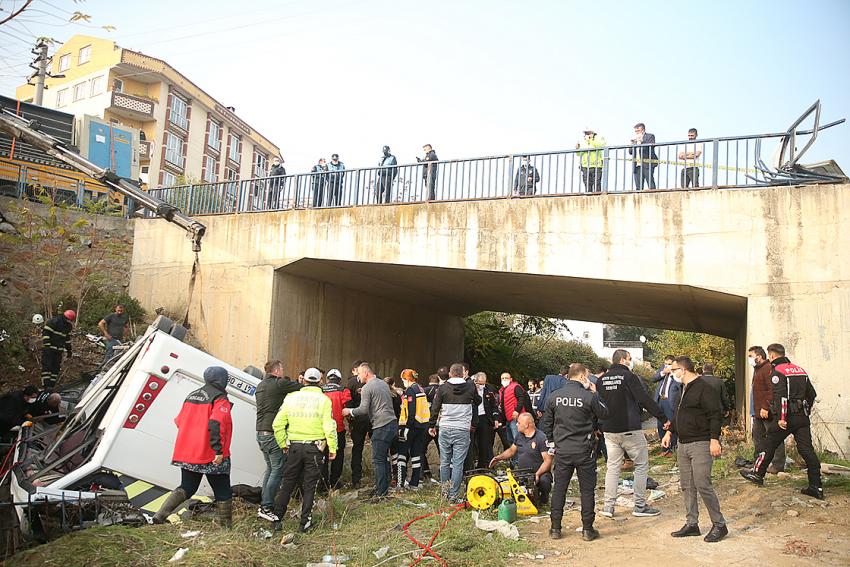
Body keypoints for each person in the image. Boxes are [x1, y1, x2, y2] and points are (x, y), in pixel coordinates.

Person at [153, 366, 234, 527]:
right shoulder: (220, 399)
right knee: (223, 491)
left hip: (188, 453)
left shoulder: (191, 395)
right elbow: (216, 423)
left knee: (187, 487)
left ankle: (159, 516)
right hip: (210, 454)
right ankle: (226, 528)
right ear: (221, 379)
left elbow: (179, 421)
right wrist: (218, 450)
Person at [741, 343, 823, 500]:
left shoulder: (777, 371)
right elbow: (811, 394)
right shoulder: (800, 370)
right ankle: (816, 486)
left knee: (768, 444)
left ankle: (757, 474)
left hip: (786, 417)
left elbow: (781, 397)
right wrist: (806, 410)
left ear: (771, 355)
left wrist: (781, 418)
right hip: (802, 417)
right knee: (806, 450)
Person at [662, 356, 728, 542]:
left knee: (702, 484)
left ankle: (719, 525)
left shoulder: (704, 387)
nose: (671, 372)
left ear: (683, 370)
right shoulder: (684, 388)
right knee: (687, 486)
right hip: (683, 444)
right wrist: (669, 433)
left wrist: (714, 439)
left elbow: (715, 415)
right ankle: (692, 524)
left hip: (700, 443)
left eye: (674, 369)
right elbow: (680, 414)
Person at [598, 349, 668, 518]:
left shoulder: (601, 381)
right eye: (629, 359)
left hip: (609, 430)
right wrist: (662, 417)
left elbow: (597, 405)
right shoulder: (629, 377)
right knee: (641, 465)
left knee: (613, 468)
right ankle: (640, 506)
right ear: (622, 360)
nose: (630, 362)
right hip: (629, 428)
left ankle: (608, 507)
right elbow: (643, 399)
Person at [542, 363, 608, 541]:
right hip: (584, 450)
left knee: (559, 490)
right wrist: (596, 393)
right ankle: (588, 529)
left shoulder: (555, 396)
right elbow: (604, 413)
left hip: (562, 451)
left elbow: (545, 424)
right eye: (586, 376)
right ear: (581, 377)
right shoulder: (588, 396)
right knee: (587, 490)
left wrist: (553, 441)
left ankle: (555, 528)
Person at [272, 368, 337, 532]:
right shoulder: (324, 400)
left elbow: (277, 424)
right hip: (314, 448)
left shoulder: (291, 398)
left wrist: (283, 444)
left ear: (304, 380)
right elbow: (329, 426)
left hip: (293, 447)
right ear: (320, 381)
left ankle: (277, 519)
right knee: (310, 486)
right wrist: (333, 447)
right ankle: (305, 523)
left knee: (287, 484)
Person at [342, 362, 398, 498]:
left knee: (377, 460)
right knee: (384, 458)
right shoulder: (382, 383)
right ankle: (383, 488)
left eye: (359, 373)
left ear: (366, 373)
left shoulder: (367, 387)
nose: (357, 377)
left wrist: (348, 411)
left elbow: (363, 409)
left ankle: (380, 492)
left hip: (381, 425)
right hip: (391, 423)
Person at [254, 360, 301, 521]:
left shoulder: (260, 385)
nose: (283, 371)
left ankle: (264, 504)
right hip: (272, 432)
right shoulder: (278, 383)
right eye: (281, 369)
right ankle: (267, 506)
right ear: (276, 371)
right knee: (277, 469)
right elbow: (299, 387)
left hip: (260, 432)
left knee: (270, 468)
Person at [428, 362, 481, 502]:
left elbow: (435, 407)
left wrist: (431, 425)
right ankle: (453, 496)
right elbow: (478, 401)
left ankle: (444, 493)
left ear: (450, 374)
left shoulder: (443, 388)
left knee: (445, 461)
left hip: (445, 428)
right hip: (462, 429)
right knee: (458, 463)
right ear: (463, 373)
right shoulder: (470, 386)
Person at [491, 413, 553, 506]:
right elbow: (512, 451)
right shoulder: (519, 436)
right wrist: (498, 458)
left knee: (545, 481)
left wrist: (537, 474)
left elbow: (548, 460)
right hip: (522, 473)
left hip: (538, 473)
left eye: (519, 423)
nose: (516, 424)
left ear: (526, 425)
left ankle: (543, 498)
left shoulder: (541, 438)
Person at [749, 345, 785, 473]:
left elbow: (772, 390)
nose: (750, 359)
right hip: (757, 411)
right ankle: (758, 462)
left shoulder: (768, 368)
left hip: (767, 411)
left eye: (751, 356)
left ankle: (778, 464)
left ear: (759, 356)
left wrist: (766, 407)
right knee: (757, 437)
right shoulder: (757, 369)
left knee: (774, 436)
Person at [395, 369, 430, 489]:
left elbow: (411, 409)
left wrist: (406, 428)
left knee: (402, 454)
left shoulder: (410, 390)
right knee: (416, 454)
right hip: (422, 426)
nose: (403, 382)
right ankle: (415, 482)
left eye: (403, 380)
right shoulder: (420, 389)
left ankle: (400, 482)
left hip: (410, 426)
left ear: (407, 379)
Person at [319, 368, 351, 491]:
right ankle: (335, 483)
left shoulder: (321, 390)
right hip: (338, 430)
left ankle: (322, 486)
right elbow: (347, 410)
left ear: (328, 379)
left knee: (323, 458)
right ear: (339, 380)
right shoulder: (344, 390)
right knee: (338, 457)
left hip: (321, 431)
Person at [345, 360, 370, 489]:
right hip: (371, 419)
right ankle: (382, 478)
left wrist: (350, 421)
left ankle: (356, 479)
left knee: (357, 449)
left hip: (357, 418)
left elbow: (348, 403)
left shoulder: (350, 382)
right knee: (378, 448)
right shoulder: (375, 381)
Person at [466, 371, 499, 470]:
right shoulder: (469, 388)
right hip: (472, 419)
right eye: (480, 383)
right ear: (475, 381)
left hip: (485, 418)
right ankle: (470, 468)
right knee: (470, 444)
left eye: (483, 383)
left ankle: (482, 466)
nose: (482, 385)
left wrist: (495, 419)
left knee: (484, 444)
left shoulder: (489, 389)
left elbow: (494, 404)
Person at [652, 355, 680, 456]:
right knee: (661, 424)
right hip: (660, 400)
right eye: (666, 364)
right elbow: (653, 378)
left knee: (671, 424)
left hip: (670, 401)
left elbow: (679, 385)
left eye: (669, 364)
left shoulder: (676, 373)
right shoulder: (663, 370)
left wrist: (673, 374)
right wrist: (663, 372)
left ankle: (672, 448)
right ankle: (664, 449)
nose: (667, 366)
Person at [41, 310, 75, 388]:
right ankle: (46, 386)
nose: (69, 321)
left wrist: (69, 350)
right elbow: (46, 333)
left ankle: (51, 386)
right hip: (49, 350)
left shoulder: (68, 326)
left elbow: (67, 339)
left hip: (58, 351)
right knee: (47, 368)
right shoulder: (54, 322)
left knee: (55, 369)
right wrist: (47, 346)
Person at [498, 372, 529, 446]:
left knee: (517, 439)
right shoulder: (502, 390)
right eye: (503, 378)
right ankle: (514, 457)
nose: (504, 380)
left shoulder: (515, 387)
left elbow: (521, 399)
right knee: (511, 440)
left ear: (511, 379)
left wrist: (517, 411)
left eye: (506, 378)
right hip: (507, 418)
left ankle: (521, 457)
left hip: (515, 417)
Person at [421, 373, 441, 482]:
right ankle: (443, 473)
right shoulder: (443, 390)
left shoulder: (424, 390)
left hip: (427, 424)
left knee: (421, 449)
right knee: (443, 450)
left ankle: (425, 472)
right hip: (440, 424)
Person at [98, 304, 129, 370]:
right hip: (111, 339)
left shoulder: (125, 317)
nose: (120, 311)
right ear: (115, 309)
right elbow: (100, 323)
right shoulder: (111, 316)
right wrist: (106, 333)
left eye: (121, 310)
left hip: (120, 340)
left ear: (123, 310)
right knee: (109, 354)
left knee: (118, 355)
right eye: (118, 310)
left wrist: (125, 337)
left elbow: (126, 327)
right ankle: (102, 369)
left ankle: (113, 369)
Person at [576, 128, 606, 192]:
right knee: (587, 183)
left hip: (597, 165)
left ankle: (597, 196)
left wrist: (590, 140)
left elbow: (601, 146)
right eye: (585, 133)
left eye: (587, 133)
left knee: (597, 183)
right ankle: (588, 196)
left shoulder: (599, 139)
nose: (586, 135)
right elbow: (578, 154)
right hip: (585, 166)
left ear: (592, 133)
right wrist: (577, 149)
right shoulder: (583, 141)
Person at [629, 123, 658, 190]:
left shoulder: (650, 136)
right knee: (638, 187)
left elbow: (651, 146)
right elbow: (630, 152)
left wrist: (641, 143)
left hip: (647, 164)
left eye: (638, 131)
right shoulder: (634, 140)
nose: (637, 133)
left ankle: (653, 196)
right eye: (636, 131)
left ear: (642, 130)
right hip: (637, 165)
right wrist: (633, 144)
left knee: (650, 183)